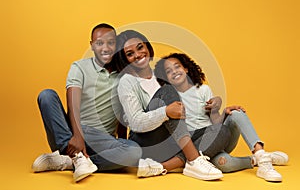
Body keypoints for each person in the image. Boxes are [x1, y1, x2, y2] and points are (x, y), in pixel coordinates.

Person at [115, 30, 234, 181]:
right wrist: (165, 112)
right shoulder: (127, 81)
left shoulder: (161, 74)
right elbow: (136, 122)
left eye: (140, 47)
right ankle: (194, 159)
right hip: (146, 142)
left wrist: (214, 102)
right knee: (168, 90)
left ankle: (161, 167)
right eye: (130, 53)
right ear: (124, 59)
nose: (138, 54)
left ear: (147, 47)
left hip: (171, 142)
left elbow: (186, 102)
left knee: (221, 131)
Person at [153, 52, 288, 182]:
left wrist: (220, 112)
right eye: (169, 71)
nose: (175, 71)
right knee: (224, 164)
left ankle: (261, 157)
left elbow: (215, 122)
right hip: (196, 147)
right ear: (165, 78)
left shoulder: (203, 90)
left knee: (236, 113)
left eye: (177, 67)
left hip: (217, 137)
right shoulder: (169, 97)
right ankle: (255, 160)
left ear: (186, 69)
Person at [32, 23, 142, 182]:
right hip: (71, 134)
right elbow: (73, 104)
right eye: (99, 43)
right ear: (91, 45)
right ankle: (75, 153)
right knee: (47, 95)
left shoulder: (124, 76)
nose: (105, 48)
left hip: (101, 139)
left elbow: (121, 112)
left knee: (134, 151)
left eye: (110, 43)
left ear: (117, 44)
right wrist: (77, 136)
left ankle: (71, 161)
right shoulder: (80, 67)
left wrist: (121, 142)